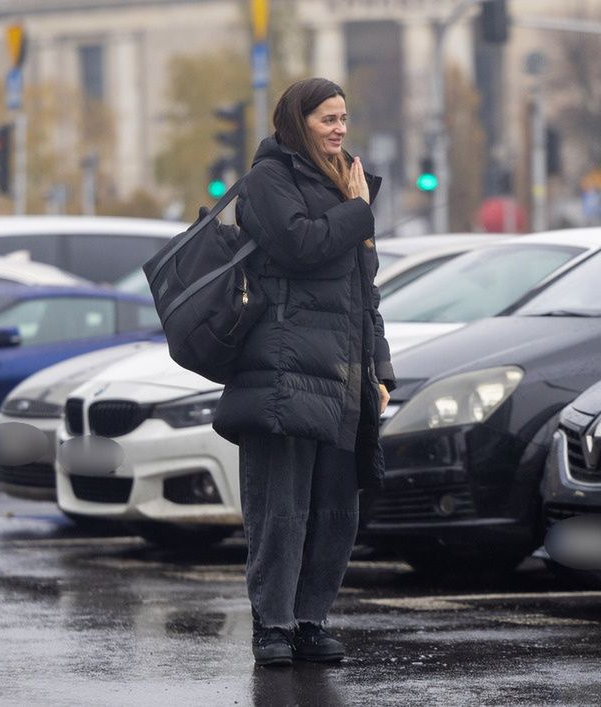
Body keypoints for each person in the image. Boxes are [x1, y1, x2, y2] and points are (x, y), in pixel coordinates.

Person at [211, 77, 395, 668]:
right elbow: (300, 244)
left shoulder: (347, 184)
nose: (340, 128)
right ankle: (273, 624)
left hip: (341, 376)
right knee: (279, 509)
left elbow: (365, 293)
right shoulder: (269, 179)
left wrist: (379, 369)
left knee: (336, 509)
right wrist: (359, 211)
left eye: (344, 118)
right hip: (282, 370)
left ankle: (312, 620)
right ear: (297, 121)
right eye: (327, 119)